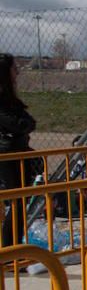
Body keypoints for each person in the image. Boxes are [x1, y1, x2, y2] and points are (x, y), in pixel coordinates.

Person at [0, 54, 35, 246]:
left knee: (20, 204)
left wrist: (24, 124)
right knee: (16, 204)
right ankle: (9, 252)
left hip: (18, 152)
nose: (18, 71)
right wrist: (22, 125)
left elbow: (27, 121)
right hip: (8, 155)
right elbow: (17, 123)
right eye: (14, 68)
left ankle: (15, 250)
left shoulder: (11, 99)